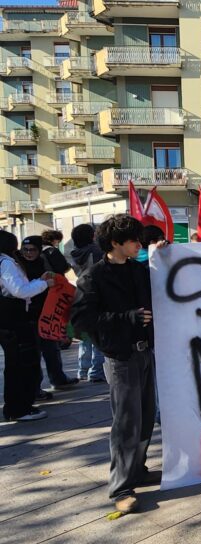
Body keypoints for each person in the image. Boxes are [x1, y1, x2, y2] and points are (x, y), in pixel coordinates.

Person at [71, 215, 160, 513]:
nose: (139, 244)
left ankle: (138, 469)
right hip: (120, 358)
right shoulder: (93, 276)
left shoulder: (139, 269)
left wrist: (167, 253)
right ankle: (121, 487)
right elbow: (81, 321)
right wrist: (127, 319)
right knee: (125, 422)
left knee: (146, 416)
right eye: (134, 240)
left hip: (146, 352)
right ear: (115, 244)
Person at [1, 230, 55, 421]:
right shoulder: (5, 263)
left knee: (17, 364)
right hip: (13, 320)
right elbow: (19, 290)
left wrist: (39, 281)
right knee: (20, 364)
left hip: (8, 319)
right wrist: (44, 284)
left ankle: (19, 405)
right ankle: (19, 408)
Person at [16, 236, 78, 398]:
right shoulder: (18, 266)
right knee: (33, 354)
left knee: (51, 349)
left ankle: (58, 379)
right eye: (25, 250)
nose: (29, 253)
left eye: (33, 250)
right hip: (28, 316)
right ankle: (35, 388)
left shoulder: (44, 262)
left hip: (47, 313)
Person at [69, 224, 106, 383]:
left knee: (85, 337)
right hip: (95, 294)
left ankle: (82, 370)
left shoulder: (73, 253)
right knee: (99, 336)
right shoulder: (96, 251)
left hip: (79, 294)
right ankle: (96, 372)